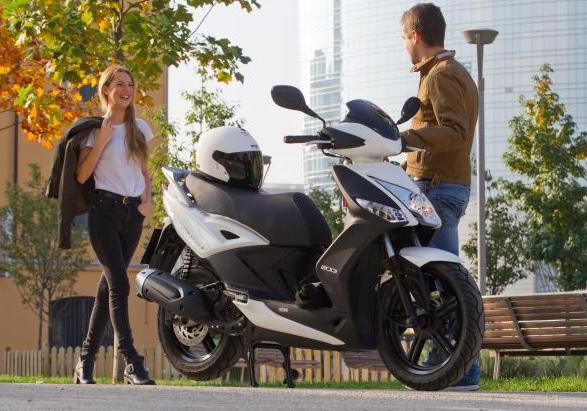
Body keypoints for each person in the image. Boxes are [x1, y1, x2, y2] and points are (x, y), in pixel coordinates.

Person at [399, 3, 481, 391]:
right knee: (443, 282)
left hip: (437, 188)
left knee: (444, 284)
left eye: (404, 38)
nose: (404, 46)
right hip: (442, 183)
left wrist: (403, 138)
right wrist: (404, 164)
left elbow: (454, 132)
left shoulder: (441, 75)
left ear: (415, 35)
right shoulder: (452, 72)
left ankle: (457, 369)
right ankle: (459, 369)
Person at [73, 65, 156, 385]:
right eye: (120, 83)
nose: (126, 89)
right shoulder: (93, 131)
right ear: (106, 89)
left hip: (132, 214)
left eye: (130, 84)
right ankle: (131, 362)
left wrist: (146, 202)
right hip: (103, 213)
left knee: (107, 288)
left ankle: (85, 361)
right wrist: (102, 140)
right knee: (120, 285)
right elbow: (82, 175)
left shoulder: (141, 128)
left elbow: (144, 171)